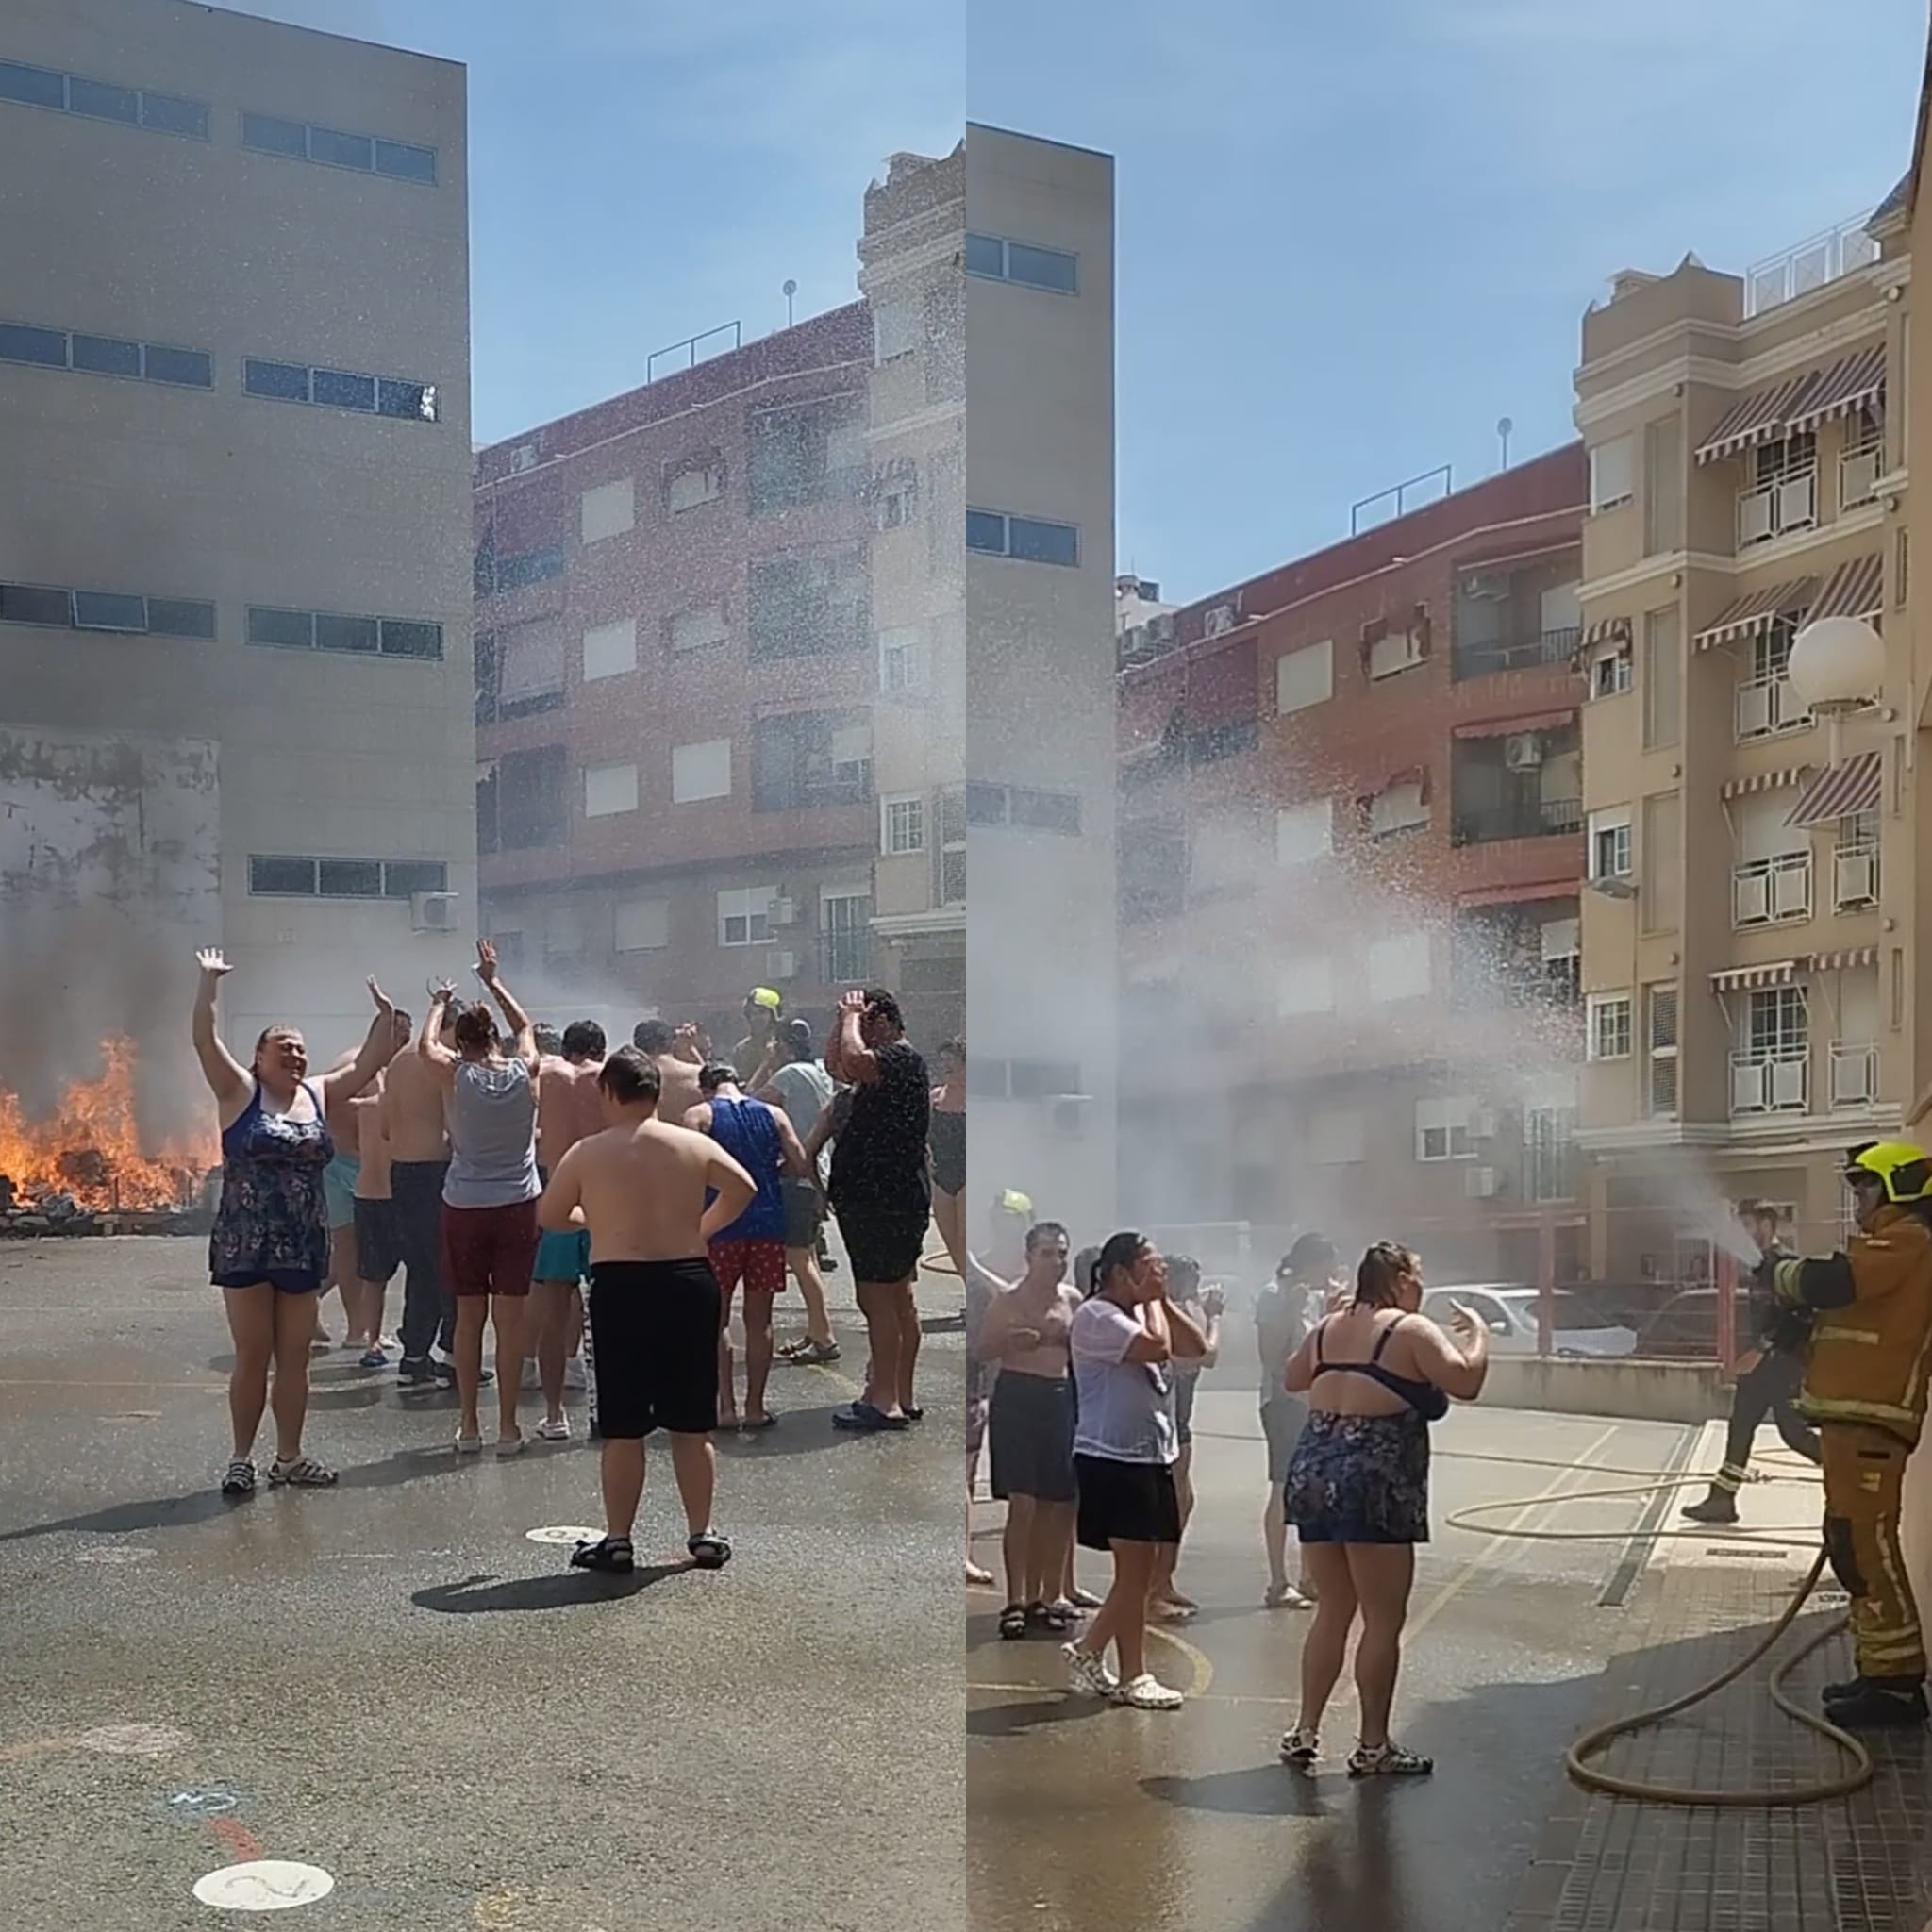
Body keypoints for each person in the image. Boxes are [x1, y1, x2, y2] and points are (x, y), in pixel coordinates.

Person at [192, 950, 403, 1495]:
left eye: (301, 1050)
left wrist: (385, 1016)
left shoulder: (318, 1094)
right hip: (247, 1241)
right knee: (253, 1353)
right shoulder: (241, 1093)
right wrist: (208, 985)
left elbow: (369, 1063)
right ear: (258, 1059)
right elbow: (203, 1041)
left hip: (304, 1243)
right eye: (283, 1048)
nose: (296, 1055)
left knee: (294, 1357)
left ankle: (289, 1457)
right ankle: (241, 1457)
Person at [1277, 1241, 1489, 1777]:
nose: (1422, 1286)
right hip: (1374, 1481)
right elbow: (1467, 1381)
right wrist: (1478, 1334)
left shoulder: (1327, 1327)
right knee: (1382, 1617)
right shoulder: (1410, 1329)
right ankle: (1373, 1746)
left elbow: (1293, 1377)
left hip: (1316, 1472)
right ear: (1397, 1279)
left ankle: (1304, 1730)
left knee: (1333, 1608)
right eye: (1418, 1276)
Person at [538, 1047, 751, 1575]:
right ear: (655, 1094)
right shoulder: (690, 1143)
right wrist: (699, 1228)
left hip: (623, 1284)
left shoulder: (589, 1152)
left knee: (624, 1424)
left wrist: (598, 1219)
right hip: (687, 1280)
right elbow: (742, 1188)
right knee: (690, 1421)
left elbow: (551, 1214)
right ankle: (701, 1532)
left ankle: (618, 1539)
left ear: (609, 1093)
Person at [1760, 1142, 1932, 1728]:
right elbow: (1847, 1336)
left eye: (1865, 1187)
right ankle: (1879, 1673)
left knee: (1867, 1549)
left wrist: (1778, 1271)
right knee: (1850, 1545)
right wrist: (1795, 1339)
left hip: (1872, 1426)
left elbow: (1837, 1281)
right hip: (1850, 1424)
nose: (1857, 1198)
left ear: (1897, 1188)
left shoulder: (1909, 1241)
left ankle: (1900, 1686)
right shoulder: (1889, 1250)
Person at [1062, 1233, 1210, 1710]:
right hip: (1112, 1457)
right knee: (1135, 1576)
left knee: (1138, 1573)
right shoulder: (1097, 1316)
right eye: (1149, 1266)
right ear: (1121, 1273)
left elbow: (1195, 1346)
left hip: (1151, 1454)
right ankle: (1092, 1650)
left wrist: (1161, 1299)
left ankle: (1131, 1673)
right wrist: (1152, 1303)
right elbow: (1154, 1348)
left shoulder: (1144, 1310)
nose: (1159, 1273)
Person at [417, 941, 541, 1457]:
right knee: (511, 1321)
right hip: (517, 1203)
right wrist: (492, 980)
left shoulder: (453, 1073)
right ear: (494, 1038)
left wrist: (438, 1003)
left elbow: (426, 1047)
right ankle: (508, 1427)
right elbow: (528, 1030)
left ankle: (469, 1424)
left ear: (460, 1041)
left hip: (465, 1204)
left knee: (470, 1319)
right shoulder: (524, 1071)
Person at [824, 988, 930, 1431]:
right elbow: (837, 1065)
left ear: (881, 1022)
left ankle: (884, 1399)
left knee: (879, 1300)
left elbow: (854, 1062)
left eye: (865, 1024)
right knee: (896, 1297)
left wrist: (852, 1018)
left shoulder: (901, 1058)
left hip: (884, 1201)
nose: (857, 1034)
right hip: (883, 1199)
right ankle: (899, 1395)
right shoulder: (883, 1066)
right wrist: (842, 1021)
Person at [685, 1062, 811, 1430]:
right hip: (767, 1225)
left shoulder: (699, 1114)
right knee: (760, 1320)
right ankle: (755, 1407)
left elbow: (684, 1163)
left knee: (716, 1319)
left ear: (705, 1088)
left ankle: (724, 1407)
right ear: (737, 1083)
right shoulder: (773, 1114)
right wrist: (771, 1173)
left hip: (719, 1228)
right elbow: (800, 1163)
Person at [1681, 1201, 1820, 1524]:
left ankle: (1847, 1478)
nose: (1742, 1233)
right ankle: (1721, 1500)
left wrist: (1761, 1347)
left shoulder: (1786, 1264)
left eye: (1748, 1225)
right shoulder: (1759, 1265)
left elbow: (1800, 1316)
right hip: (1759, 1369)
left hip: (1784, 1365)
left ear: (1767, 1225)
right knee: (1740, 1426)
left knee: (1794, 1434)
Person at [982, 1222, 1081, 1637]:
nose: (1055, 1262)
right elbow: (981, 1348)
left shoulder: (1072, 1299)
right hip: (1018, 1397)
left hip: (1060, 1397)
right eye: (1047, 1254)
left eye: (1061, 1253)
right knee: (1023, 1503)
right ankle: (1016, 1599)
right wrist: (1011, 1342)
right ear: (1029, 1257)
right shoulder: (1008, 1300)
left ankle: (1049, 1594)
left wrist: (1064, 1339)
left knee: (1057, 1503)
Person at [385, 991, 476, 1392]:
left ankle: (415, 1355)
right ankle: (453, 1357)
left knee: (420, 1269)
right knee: (452, 1268)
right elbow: (457, 1127)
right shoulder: (442, 1063)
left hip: (402, 1170)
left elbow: (386, 1127)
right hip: (436, 1173)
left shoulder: (399, 1060)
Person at [528, 1020, 607, 1441]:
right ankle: (616, 1406)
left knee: (553, 1315)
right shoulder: (610, 1076)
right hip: (603, 1204)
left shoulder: (544, 1073)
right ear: (599, 1048)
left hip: (558, 1199)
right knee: (614, 1311)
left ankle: (556, 1414)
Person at [1257, 1235, 1343, 1608]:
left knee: (1314, 1487)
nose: (1333, 1273)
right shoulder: (1274, 1294)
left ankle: (1311, 1575)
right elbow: (1270, 1357)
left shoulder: (1320, 1297)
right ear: (1312, 1263)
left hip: (1317, 1402)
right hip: (1284, 1402)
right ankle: (1278, 1581)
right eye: (1328, 1265)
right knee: (1282, 1486)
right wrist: (1291, 1311)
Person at [751, 1017, 840, 1364]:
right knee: (809, 1257)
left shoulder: (787, 1076)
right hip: (817, 1174)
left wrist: (765, 1063)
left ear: (783, 1045)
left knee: (799, 1258)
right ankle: (817, 1331)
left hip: (796, 1176)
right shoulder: (820, 1073)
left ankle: (826, 1339)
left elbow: (747, 1103)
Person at [1152, 1257, 1223, 1620]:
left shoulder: (1179, 1309)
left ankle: (1163, 1581)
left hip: (1180, 1416)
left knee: (1183, 1500)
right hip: (1168, 1416)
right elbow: (1204, 1355)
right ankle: (1153, 1588)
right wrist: (1214, 1318)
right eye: (1189, 1280)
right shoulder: (1166, 1314)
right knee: (1170, 1502)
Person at [349, 1067, 403, 1369]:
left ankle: (374, 1339)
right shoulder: (380, 1107)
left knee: (374, 1277)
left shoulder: (365, 1108)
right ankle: (376, 1340)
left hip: (373, 1196)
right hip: (388, 1198)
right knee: (380, 1277)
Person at [928, 1040, 968, 1276]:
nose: (946, 1066)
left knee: (966, 1241)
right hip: (941, 1176)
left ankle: (977, 1300)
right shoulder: (934, 1097)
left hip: (969, 1176)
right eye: (944, 1060)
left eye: (951, 1060)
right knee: (952, 1244)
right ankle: (969, 1294)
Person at [634, 1018, 706, 1134]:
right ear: (671, 1043)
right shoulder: (697, 1074)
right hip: (691, 1145)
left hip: (645, 1144)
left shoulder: (629, 1077)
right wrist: (690, 1048)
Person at [731, 986, 784, 1083]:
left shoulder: (783, 1046)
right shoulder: (741, 1050)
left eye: (762, 1012)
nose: (756, 1018)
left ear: (773, 1016)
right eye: (752, 1013)